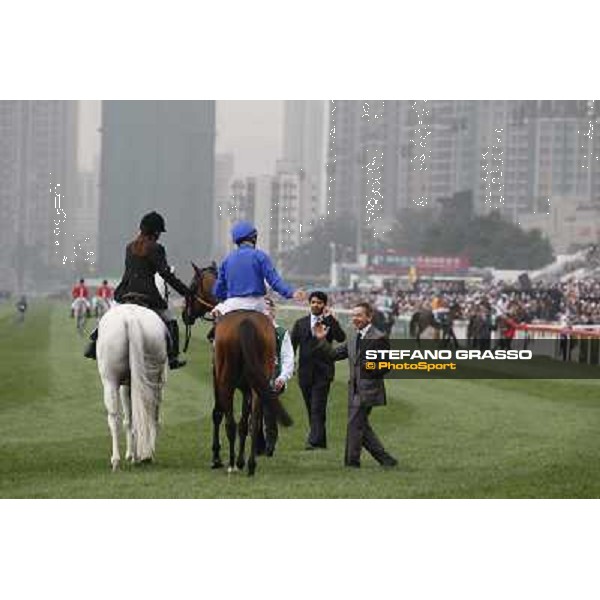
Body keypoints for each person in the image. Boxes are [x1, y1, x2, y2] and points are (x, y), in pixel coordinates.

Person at [84, 211, 192, 369]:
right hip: (148, 295)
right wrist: (186, 292)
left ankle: (93, 345)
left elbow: (128, 272)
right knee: (171, 321)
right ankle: (173, 358)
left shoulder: (129, 247)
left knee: (107, 317)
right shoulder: (157, 249)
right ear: (155, 232)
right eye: (159, 232)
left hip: (125, 293)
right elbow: (165, 275)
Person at [313, 301, 398, 469]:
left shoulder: (379, 338)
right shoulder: (353, 337)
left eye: (359, 315)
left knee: (354, 424)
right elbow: (333, 354)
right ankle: (386, 460)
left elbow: (386, 365)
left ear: (369, 316)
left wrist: (369, 368)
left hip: (369, 389)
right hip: (353, 390)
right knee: (361, 426)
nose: (355, 319)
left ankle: (351, 463)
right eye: (353, 315)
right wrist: (322, 339)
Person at [206, 220, 305, 341]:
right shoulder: (260, 256)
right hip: (257, 305)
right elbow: (274, 281)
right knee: (279, 337)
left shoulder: (227, 260)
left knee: (216, 335)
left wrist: (225, 298)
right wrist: (291, 292)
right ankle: (276, 358)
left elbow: (218, 290)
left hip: (232, 304)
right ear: (254, 238)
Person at [290, 290, 346, 450]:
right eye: (313, 302)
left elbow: (341, 338)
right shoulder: (300, 323)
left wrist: (331, 320)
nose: (316, 305)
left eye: (319, 302)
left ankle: (313, 441)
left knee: (317, 407)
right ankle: (320, 440)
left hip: (323, 372)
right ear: (309, 304)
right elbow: (292, 346)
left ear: (324, 305)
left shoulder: (329, 321)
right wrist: (289, 365)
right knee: (311, 407)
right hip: (305, 373)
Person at [256, 296, 295, 456]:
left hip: (274, 378)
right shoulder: (251, 331)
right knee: (254, 412)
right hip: (255, 378)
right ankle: (258, 445)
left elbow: (288, 358)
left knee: (268, 414)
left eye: (267, 308)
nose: (264, 311)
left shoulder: (281, 332)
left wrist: (283, 378)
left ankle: (270, 446)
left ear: (273, 311)